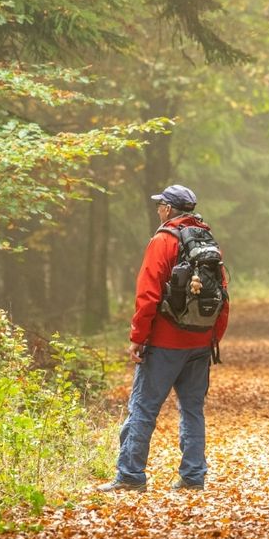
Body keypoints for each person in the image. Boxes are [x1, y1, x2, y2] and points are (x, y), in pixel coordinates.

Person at [99, 184, 228, 492]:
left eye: (161, 205)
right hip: (200, 342)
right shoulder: (208, 241)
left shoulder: (164, 240)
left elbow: (147, 294)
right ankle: (193, 476)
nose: (158, 209)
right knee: (192, 410)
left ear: (169, 209)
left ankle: (130, 475)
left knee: (143, 408)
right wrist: (211, 336)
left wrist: (138, 336)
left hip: (164, 342)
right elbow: (223, 294)